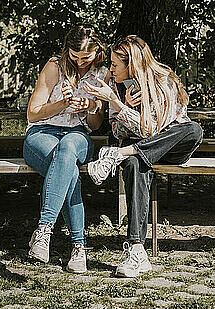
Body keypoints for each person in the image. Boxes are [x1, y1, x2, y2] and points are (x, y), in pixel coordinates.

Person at [84, 35, 203, 278]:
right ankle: (137, 250)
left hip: (169, 146)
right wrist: (120, 105)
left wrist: (118, 104)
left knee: (193, 129)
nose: (111, 69)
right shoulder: (115, 84)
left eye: (116, 64)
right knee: (134, 163)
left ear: (132, 64)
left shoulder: (163, 81)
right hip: (139, 149)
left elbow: (155, 131)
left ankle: (117, 154)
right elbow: (117, 130)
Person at [23, 24, 108, 273]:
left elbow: (96, 124)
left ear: (97, 51)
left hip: (78, 135)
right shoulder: (54, 67)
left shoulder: (103, 74)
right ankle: (78, 247)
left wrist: (89, 106)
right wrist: (62, 103)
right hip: (42, 134)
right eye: (75, 57)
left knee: (69, 147)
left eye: (86, 58)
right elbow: (33, 113)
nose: (80, 63)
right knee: (68, 168)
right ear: (66, 51)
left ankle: (43, 231)